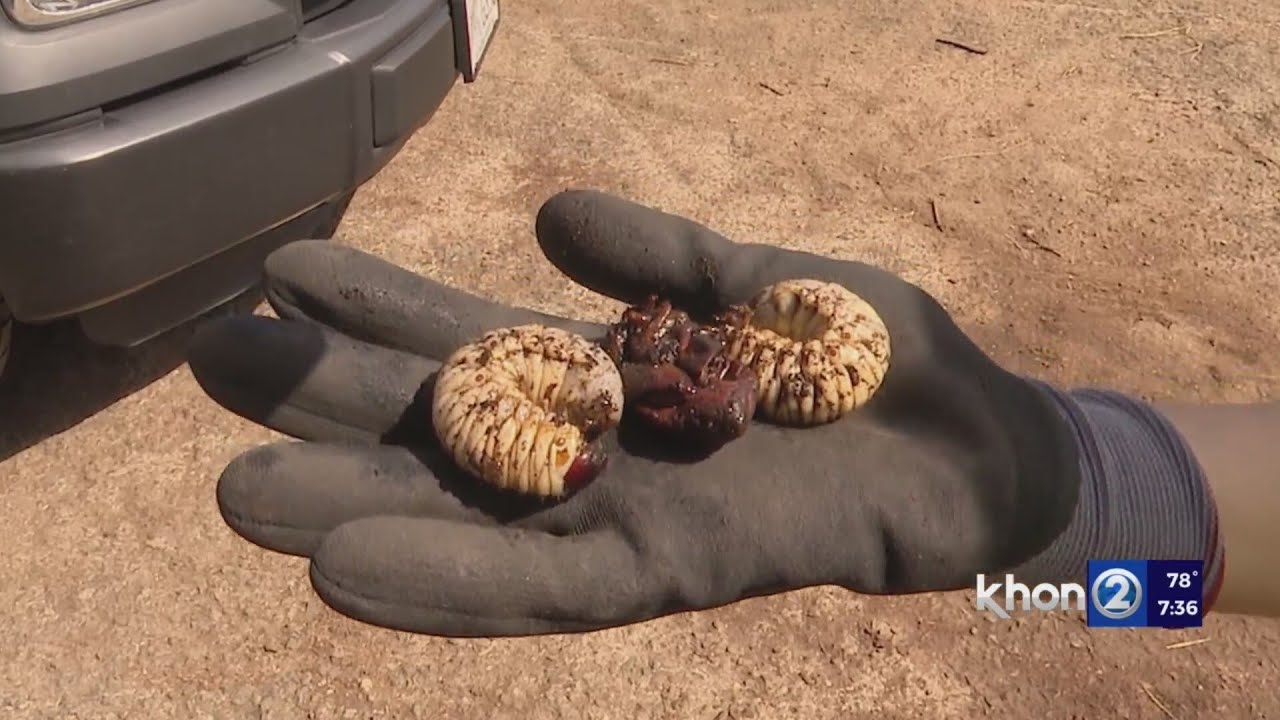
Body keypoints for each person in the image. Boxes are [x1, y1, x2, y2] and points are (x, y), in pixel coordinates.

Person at [187, 189, 1275, 637]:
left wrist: (1081, 519)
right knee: (1036, 594)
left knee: (1034, 596)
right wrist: (1089, 492)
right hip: (1156, 537)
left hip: (1142, 555)